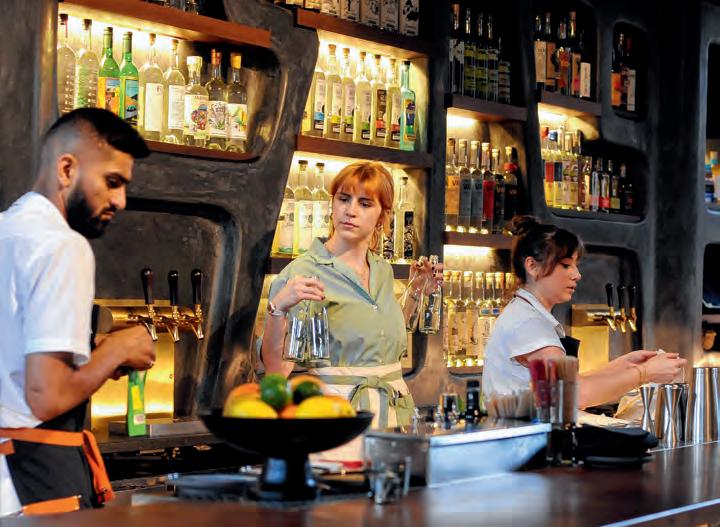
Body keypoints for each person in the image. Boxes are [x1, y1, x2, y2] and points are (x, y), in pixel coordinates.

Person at [0, 108, 156, 516]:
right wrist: (117, 349)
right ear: (67, 169)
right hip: (31, 485)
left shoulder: (6, 231)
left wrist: (90, 352)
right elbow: (46, 396)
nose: (120, 201)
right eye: (112, 182)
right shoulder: (63, 246)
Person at [260, 161, 438, 429]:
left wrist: (417, 290)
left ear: (383, 216)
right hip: (336, 419)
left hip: (393, 416)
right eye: (344, 199)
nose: (350, 211)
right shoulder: (303, 273)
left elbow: (378, 341)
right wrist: (278, 309)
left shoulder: (382, 269)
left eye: (365, 203)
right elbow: (276, 371)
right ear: (332, 204)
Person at [482, 216, 686, 409]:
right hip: (523, 434)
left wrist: (622, 367)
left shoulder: (526, 314)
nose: (577, 275)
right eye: (565, 265)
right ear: (532, 266)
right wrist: (644, 373)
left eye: (575, 265)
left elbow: (570, 383)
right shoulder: (528, 323)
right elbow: (575, 395)